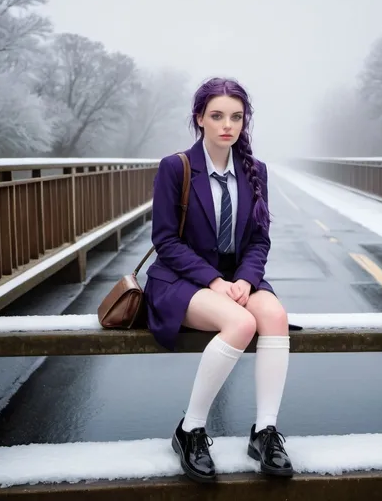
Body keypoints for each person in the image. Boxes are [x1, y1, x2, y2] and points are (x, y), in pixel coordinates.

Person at [143, 77, 292, 483]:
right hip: (181, 279)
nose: (227, 124)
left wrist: (244, 279)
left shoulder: (254, 170)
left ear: (245, 122)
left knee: (274, 317)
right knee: (242, 323)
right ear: (199, 119)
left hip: (235, 279)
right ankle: (190, 429)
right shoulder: (177, 167)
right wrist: (213, 280)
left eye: (236, 117)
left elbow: (260, 239)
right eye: (217, 115)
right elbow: (165, 241)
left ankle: (265, 432)